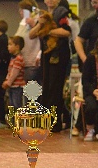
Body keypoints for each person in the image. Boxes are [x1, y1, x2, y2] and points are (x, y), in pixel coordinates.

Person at [29, 0, 71, 133]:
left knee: (55, 87)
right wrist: (40, 25)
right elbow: (31, 35)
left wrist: (47, 31)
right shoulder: (43, 15)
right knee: (46, 87)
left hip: (59, 54)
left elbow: (66, 32)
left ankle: (55, 122)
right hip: (46, 55)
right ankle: (47, 120)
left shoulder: (62, 13)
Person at [72, 0, 98, 136]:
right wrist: (85, 60)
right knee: (88, 97)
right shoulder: (91, 21)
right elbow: (78, 41)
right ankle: (80, 126)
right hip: (92, 69)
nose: (93, 2)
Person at [81, 32, 98, 142]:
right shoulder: (91, 59)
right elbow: (85, 80)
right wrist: (93, 91)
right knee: (91, 106)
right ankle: (89, 129)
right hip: (92, 90)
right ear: (97, 45)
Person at [15, 0, 41, 83]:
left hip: (32, 62)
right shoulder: (23, 23)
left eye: (21, 10)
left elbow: (43, 36)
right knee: (29, 91)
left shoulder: (38, 20)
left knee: (32, 93)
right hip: (25, 61)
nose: (20, 12)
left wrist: (33, 25)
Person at [2, 36, 26, 110]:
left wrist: (8, 82)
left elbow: (14, 73)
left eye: (10, 44)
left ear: (17, 46)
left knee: (16, 104)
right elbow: (10, 71)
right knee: (11, 105)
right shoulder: (13, 58)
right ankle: (13, 120)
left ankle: (18, 120)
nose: (8, 46)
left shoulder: (18, 59)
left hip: (17, 86)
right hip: (12, 86)